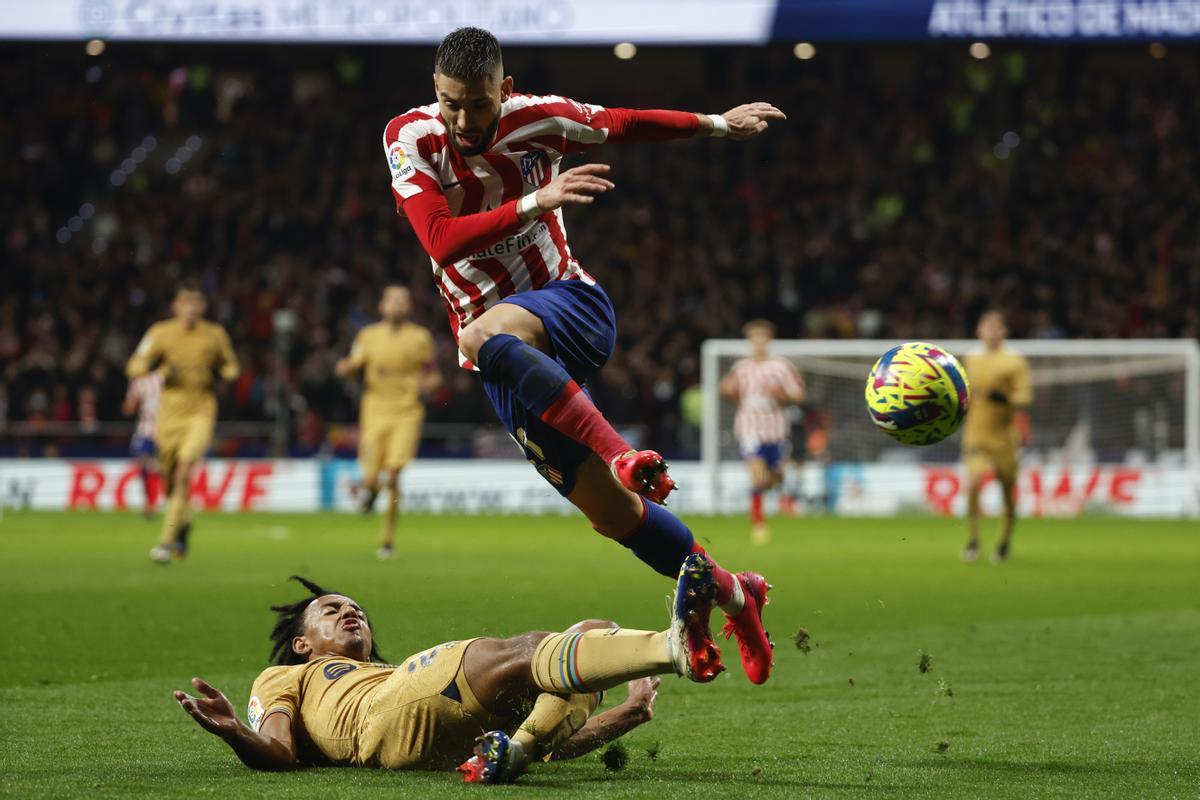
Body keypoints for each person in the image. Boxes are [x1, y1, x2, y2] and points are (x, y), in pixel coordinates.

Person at [382, 26, 784, 683]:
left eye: (478, 103)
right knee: (615, 516)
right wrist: (537, 200)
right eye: (451, 102)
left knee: (478, 335)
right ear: (436, 91)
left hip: (568, 304)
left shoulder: (538, 120)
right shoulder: (408, 137)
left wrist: (718, 123)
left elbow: (623, 122)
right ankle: (738, 596)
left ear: (503, 90)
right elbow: (438, 240)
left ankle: (622, 450)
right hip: (510, 362)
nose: (463, 119)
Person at [173, 554, 724, 784]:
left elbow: (566, 744)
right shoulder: (284, 678)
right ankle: (673, 647)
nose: (350, 612)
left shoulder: (386, 670)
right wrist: (236, 734)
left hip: (426, 735)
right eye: (331, 610)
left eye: (356, 609)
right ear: (301, 643)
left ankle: (513, 754)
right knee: (526, 651)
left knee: (587, 635)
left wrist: (629, 713)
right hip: (380, 720)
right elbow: (280, 753)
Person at [126, 284, 239, 564]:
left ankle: (165, 542)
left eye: (196, 304)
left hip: (201, 410)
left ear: (202, 308)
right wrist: (158, 369)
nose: (190, 309)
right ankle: (183, 523)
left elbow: (232, 367)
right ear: (175, 307)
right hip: (169, 415)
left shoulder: (214, 334)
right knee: (169, 481)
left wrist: (220, 372)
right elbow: (134, 365)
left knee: (185, 471)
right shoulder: (160, 333)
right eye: (185, 304)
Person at [335, 286, 442, 560]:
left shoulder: (420, 338)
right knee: (370, 477)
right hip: (373, 413)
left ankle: (386, 540)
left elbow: (433, 375)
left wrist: (427, 385)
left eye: (402, 300)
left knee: (393, 475)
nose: (397, 305)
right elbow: (353, 364)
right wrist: (345, 369)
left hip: (406, 412)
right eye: (392, 300)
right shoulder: (367, 336)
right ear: (382, 306)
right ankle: (370, 493)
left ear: (409, 307)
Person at [719, 320, 806, 544]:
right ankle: (759, 524)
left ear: (769, 340)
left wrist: (781, 395)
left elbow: (798, 395)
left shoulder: (781, 367)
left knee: (773, 478)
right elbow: (728, 390)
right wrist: (727, 390)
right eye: (754, 338)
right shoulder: (741, 368)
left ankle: (781, 498)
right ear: (749, 341)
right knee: (757, 473)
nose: (758, 343)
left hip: (776, 430)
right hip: (749, 428)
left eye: (762, 338)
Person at [961, 310, 1032, 564]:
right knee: (974, 482)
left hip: (1004, 437)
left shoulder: (1014, 361)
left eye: (996, 325)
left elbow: (1024, 396)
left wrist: (1005, 398)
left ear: (1004, 331)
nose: (991, 330)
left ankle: (1003, 542)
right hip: (975, 435)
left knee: (1007, 491)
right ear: (978, 330)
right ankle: (973, 540)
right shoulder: (970, 358)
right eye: (986, 325)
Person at [122, 369, 164, 519]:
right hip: (148, 429)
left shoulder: (160, 377)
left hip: (162, 430)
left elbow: (128, 408)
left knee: (152, 466)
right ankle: (150, 503)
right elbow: (129, 407)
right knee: (147, 465)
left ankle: (153, 503)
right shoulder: (143, 379)